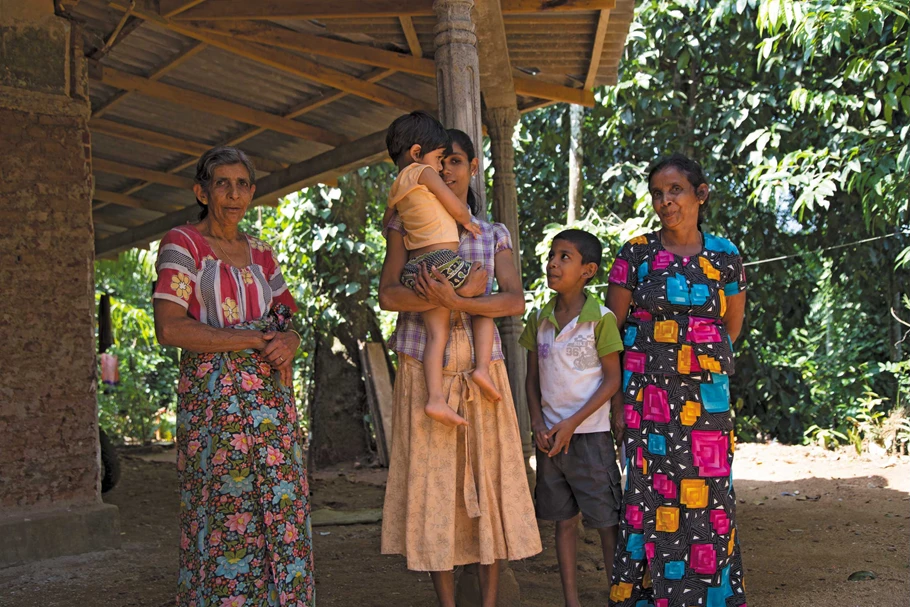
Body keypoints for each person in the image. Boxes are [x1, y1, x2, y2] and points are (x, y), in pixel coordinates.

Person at [380, 129, 542, 607]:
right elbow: (389, 295)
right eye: (440, 161)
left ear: (474, 167)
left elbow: (514, 301)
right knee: (434, 493)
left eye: (455, 162)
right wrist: (445, 298)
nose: (447, 170)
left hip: (482, 371)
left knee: (489, 490)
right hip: (422, 369)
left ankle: (488, 603)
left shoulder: (493, 233)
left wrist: (457, 301)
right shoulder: (406, 222)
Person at [153, 146, 314, 607]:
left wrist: (291, 340)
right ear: (201, 191)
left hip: (272, 403)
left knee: (282, 507)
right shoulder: (184, 244)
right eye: (222, 183)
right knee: (229, 509)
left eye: (242, 184)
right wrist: (248, 339)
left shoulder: (261, 252)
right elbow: (170, 327)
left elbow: (285, 317)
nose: (233, 194)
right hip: (216, 402)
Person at [605, 154, 748, 607]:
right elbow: (613, 329)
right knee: (648, 493)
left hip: (706, 401)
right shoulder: (636, 252)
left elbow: (732, 327)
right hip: (647, 396)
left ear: (700, 194)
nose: (665, 201)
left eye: (675, 191)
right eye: (657, 193)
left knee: (710, 497)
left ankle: (709, 596)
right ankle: (648, 596)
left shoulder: (725, 255)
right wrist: (617, 402)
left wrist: (696, 362)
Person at [520, 229, 625, 607]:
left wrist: (573, 423)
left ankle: (619, 596)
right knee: (563, 523)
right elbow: (531, 380)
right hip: (550, 439)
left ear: (588, 270)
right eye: (552, 255)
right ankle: (571, 601)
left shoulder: (602, 319)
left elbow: (613, 380)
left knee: (606, 524)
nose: (553, 262)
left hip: (591, 438)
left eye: (565, 257)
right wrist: (537, 423)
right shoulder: (539, 318)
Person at [383, 111, 500, 428]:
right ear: (418, 153)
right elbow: (457, 206)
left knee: (437, 333)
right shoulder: (422, 172)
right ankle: (483, 369)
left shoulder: (397, 186)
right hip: (441, 261)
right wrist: (466, 220)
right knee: (483, 301)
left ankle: (435, 399)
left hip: (416, 267)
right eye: (439, 158)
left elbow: (387, 223)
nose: (441, 167)